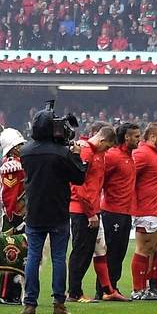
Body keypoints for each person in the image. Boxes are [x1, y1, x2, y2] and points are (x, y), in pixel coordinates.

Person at [20, 108, 87, 314]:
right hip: (58, 210)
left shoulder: (25, 151)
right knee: (59, 258)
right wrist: (76, 156)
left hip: (34, 211)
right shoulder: (62, 153)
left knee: (33, 256)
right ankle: (58, 302)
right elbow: (78, 178)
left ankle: (30, 302)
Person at [67, 123, 126, 303]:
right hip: (82, 211)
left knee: (98, 249)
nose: (108, 149)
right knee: (81, 251)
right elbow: (79, 186)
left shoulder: (98, 154)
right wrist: (90, 212)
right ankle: (74, 292)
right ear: (101, 140)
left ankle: (107, 289)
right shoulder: (86, 152)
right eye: (107, 146)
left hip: (93, 209)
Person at [95, 123, 140, 300]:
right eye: (136, 136)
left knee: (120, 252)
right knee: (111, 251)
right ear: (126, 137)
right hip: (112, 211)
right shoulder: (113, 156)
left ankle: (113, 287)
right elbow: (100, 179)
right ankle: (104, 290)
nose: (139, 139)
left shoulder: (130, 156)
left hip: (126, 212)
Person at [130, 123, 157, 300]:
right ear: (153, 137)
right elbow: (129, 177)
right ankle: (137, 290)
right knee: (143, 248)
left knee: (152, 249)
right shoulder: (142, 154)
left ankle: (145, 287)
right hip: (146, 209)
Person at [0, 128, 27, 305]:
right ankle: (6, 294)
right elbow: (9, 196)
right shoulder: (12, 165)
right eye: (19, 144)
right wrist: (16, 218)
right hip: (13, 217)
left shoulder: (17, 162)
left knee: (18, 253)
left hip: (20, 214)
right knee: (11, 253)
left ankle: (13, 293)